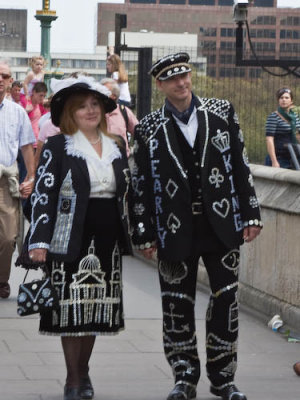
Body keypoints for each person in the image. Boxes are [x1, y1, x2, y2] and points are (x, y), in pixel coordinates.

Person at [130, 53, 262, 400]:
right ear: (160, 85)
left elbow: (240, 164)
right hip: (173, 229)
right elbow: (139, 183)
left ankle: (223, 379)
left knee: (227, 301)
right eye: (173, 79)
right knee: (176, 303)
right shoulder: (147, 128)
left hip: (221, 225)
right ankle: (184, 376)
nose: (182, 83)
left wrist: (250, 214)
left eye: (185, 75)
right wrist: (142, 231)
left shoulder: (222, 112)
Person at [27, 75, 132, 400]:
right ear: (69, 112)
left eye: (94, 105)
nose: (90, 111)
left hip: (107, 239)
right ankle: (74, 380)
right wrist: (39, 241)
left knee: (94, 311)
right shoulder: (58, 146)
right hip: (67, 236)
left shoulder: (116, 144)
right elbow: (43, 194)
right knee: (70, 312)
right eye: (82, 106)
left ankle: (83, 372)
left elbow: (129, 192)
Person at [0, 61, 35, 299]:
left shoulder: (17, 112)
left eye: (5, 76)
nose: (1, 79)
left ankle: (2, 279)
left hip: (6, 182)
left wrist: (31, 177)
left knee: (9, 238)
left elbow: (26, 148)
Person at [101, 77, 138, 157]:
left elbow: (138, 132)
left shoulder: (124, 111)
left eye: (104, 91)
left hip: (122, 161)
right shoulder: (95, 113)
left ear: (114, 96)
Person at [265, 88, 300, 169]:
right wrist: (274, 161)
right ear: (278, 100)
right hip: (279, 157)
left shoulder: (294, 117)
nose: (284, 100)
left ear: (291, 101)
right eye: (281, 98)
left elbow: (298, 135)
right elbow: (269, 139)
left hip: (294, 156)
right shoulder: (273, 117)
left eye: (287, 98)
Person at [20, 81, 48, 147]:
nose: (42, 98)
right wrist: (26, 111)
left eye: (44, 96)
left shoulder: (41, 106)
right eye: (41, 95)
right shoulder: (25, 102)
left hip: (38, 142)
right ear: (34, 92)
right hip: (26, 143)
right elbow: (16, 121)